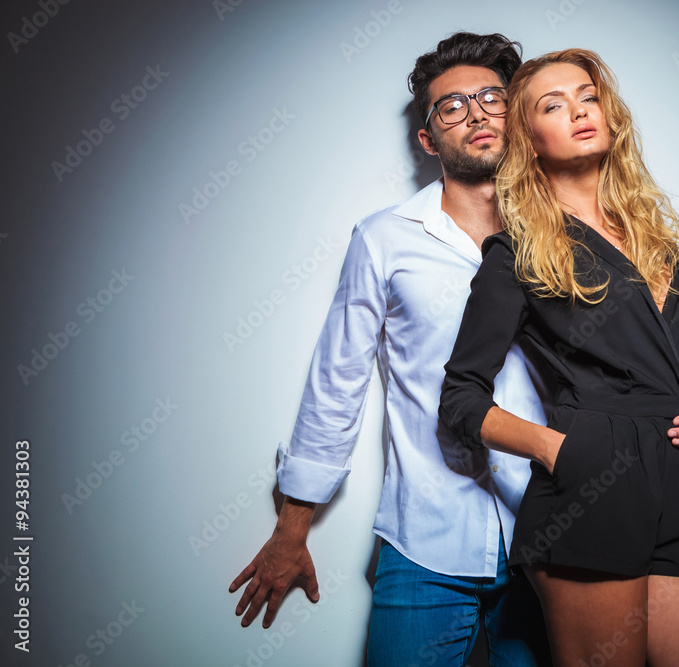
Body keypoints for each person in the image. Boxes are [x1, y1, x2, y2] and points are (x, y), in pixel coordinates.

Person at [228, 32, 554, 666]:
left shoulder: (567, 235)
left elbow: (620, 356)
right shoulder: (384, 239)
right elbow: (337, 379)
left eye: (491, 97)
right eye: (452, 105)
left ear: (515, 114)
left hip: (551, 533)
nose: (477, 113)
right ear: (429, 139)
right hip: (423, 540)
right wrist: (292, 529)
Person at [438, 48, 679, 666]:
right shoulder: (518, 251)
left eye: (588, 97)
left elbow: (665, 364)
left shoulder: (656, 239)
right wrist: (560, 451)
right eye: (553, 105)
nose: (580, 111)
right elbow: (461, 398)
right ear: (528, 138)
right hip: (591, 488)